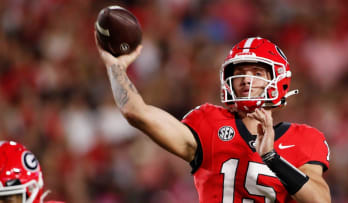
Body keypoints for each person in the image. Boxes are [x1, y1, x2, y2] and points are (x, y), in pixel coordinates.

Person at [96, 36, 331, 203]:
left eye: (257, 73)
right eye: (239, 73)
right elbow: (137, 113)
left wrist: (272, 158)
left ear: (278, 80)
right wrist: (115, 67)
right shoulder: (209, 122)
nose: (246, 80)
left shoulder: (304, 138)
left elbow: (320, 201)